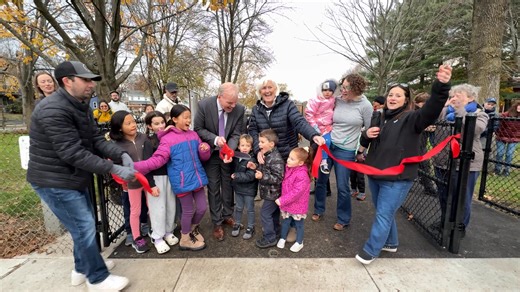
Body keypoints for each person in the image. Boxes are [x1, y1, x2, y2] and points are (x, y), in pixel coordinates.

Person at [27, 60, 134, 290]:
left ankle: (80, 268)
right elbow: (72, 153)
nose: (91, 85)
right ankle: (97, 278)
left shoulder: (79, 105)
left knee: (83, 225)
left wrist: (120, 154)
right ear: (67, 81)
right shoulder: (52, 110)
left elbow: (94, 140)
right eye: (85, 80)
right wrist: (114, 169)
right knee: (83, 226)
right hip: (55, 180)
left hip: (73, 177)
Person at [355, 65, 453, 265]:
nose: (392, 98)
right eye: (390, 94)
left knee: (383, 214)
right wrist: (366, 135)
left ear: (406, 100)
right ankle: (391, 242)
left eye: (398, 96)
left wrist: (441, 86)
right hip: (375, 173)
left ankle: (371, 250)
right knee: (384, 212)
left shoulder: (413, 119)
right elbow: (368, 140)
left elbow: (431, 109)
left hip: (397, 178)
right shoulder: (381, 117)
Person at [134, 105, 211, 251]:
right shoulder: (167, 139)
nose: (189, 120)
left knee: (202, 208)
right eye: (185, 117)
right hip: (182, 182)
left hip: (197, 178)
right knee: (187, 211)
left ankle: (193, 228)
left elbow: (203, 157)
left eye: (190, 117)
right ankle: (185, 238)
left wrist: (204, 149)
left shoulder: (193, 134)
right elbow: (157, 160)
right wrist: (134, 166)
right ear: (175, 119)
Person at [311, 73, 373, 231]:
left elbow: (369, 130)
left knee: (342, 186)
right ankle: (318, 209)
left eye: (347, 88)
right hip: (327, 145)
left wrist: (361, 150)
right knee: (320, 181)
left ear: (357, 88)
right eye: (342, 87)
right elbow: (320, 110)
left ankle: (343, 218)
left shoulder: (365, 106)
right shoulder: (337, 100)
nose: (343, 90)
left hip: (346, 151)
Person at [433, 83, 489, 238]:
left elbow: (477, 129)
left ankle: (459, 227)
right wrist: (441, 106)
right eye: (453, 95)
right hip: (443, 161)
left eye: (459, 95)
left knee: (462, 198)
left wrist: (459, 110)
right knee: (444, 196)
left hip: (466, 164)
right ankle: (445, 221)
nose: (454, 98)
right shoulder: (446, 111)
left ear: (470, 98)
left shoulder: (479, 113)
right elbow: (430, 118)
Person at [194, 82, 245, 241]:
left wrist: (228, 150)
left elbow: (237, 133)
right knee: (214, 187)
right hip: (210, 153)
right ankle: (217, 222)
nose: (233, 105)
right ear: (219, 97)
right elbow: (198, 129)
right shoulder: (204, 105)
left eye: (235, 102)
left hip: (227, 153)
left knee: (228, 185)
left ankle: (227, 215)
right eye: (229, 103)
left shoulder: (240, 109)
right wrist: (215, 140)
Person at [109, 111, 157, 254]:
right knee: (135, 210)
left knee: (152, 207)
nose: (133, 125)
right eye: (128, 123)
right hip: (132, 183)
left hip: (148, 180)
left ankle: (155, 230)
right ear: (119, 127)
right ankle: (137, 237)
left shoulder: (144, 138)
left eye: (133, 122)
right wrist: (123, 179)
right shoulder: (117, 145)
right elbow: (116, 166)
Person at [249, 77, 325, 162]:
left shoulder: (288, 105)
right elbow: (253, 131)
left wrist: (313, 135)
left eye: (270, 87)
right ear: (260, 92)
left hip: (288, 157)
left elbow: (299, 121)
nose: (267, 91)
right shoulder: (256, 110)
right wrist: (258, 150)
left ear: (276, 90)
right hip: (266, 157)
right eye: (264, 88)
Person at [142, 111, 179, 253]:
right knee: (158, 208)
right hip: (156, 178)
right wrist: (151, 184)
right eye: (156, 124)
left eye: (162, 122)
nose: (161, 126)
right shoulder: (149, 141)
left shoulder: (169, 138)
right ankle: (157, 236)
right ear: (150, 126)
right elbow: (146, 165)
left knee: (170, 206)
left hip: (170, 176)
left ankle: (169, 231)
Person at [251, 129, 285, 248]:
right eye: (259, 142)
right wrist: (254, 166)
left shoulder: (275, 158)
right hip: (271, 192)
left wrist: (262, 176)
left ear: (271, 144)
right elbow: (265, 169)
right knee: (273, 213)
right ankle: (276, 231)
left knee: (265, 214)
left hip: (273, 193)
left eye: (262, 142)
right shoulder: (268, 155)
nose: (259, 144)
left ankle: (269, 237)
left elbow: (278, 178)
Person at [275, 147, 312, 253]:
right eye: (289, 157)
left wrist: (282, 200)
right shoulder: (289, 168)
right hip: (288, 204)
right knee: (286, 221)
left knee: (299, 224)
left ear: (300, 163)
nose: (288, 160)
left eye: (292, 159)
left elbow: (296, 193)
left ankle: (299, 242)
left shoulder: (302, 175)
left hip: (297, 205)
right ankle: (283, 237)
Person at [305, 79, 337, 174]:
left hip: (328, 126)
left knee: (328, 142)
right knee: (321, 144)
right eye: (325, 90)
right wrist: (314, 127)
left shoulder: (333, 100)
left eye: (330, 90)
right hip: (317, 127)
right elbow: (309, 113)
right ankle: (323, 162)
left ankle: (322, 162)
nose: (327, 92)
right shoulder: (316, 100)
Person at [230, 134, 258, 240]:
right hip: (238, 189)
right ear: (238, 146)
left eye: (247, 145)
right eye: (242, 145)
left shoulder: (252, 160)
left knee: (250, 209)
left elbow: (251, 176)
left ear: (251, 147)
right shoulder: (236, 158)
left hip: (249, 190)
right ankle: (237, 223)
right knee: (239, 208)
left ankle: (251, 226)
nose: (245, 148)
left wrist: (237, 176)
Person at [414, 92, 438, 196]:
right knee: (423, 165)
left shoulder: (428, 113)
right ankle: (428, 186)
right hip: (415, 143)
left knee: (424, 166)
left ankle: (428, 187)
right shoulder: (415, 112)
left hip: (421, 143)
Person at [494, 101, 520, 176]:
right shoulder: (507, 114)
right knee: (500, 153)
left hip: (514, 138)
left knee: (509, 154)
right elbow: (498, 120)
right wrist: (497, 131)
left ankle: (506, 170)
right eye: (518, 106)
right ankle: (497, 169)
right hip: (502, 136)